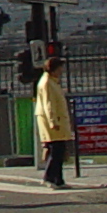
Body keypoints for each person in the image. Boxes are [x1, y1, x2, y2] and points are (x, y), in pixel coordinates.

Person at [33, 51, 73, 187]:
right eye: (60, 68)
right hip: (54, 122)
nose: (61, 70)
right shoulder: (47, 83)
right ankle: (49, 178)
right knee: (56, 151)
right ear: (54, 69)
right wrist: (52, 122)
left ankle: (58, 180)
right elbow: (48, 104)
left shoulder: (52, 82)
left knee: (59, 151)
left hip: (57, 121)